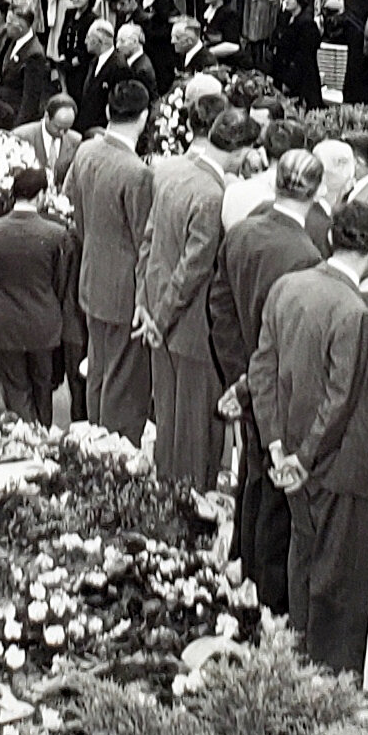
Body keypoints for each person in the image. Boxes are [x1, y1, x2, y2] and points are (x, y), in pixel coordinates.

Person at [255, 199, 368, 675]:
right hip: (338, 467)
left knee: (303, 564)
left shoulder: (287, 287)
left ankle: (297, 667)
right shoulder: (354, 310)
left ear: (332, 237)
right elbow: (341, 397)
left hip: (289, 453)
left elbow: (262, 368)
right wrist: (306, 458)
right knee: (343, 587)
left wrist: (276, 446)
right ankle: (331, 688)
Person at [209, 147, 330, 610]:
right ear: (316, 193)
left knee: (253, 478)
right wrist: (251, 382)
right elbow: (288, 337)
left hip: (248, 373)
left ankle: (247, 568)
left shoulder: (242, 233)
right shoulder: (304, 253)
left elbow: (219, 305)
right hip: (274, 385)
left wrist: (237, 374)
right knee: (275, 494)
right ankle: (268, 593)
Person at [141, 105, 251, 492]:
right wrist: (163, 317)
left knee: (170, 426)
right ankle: (186, 515)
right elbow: (193, 270)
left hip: (161, 321)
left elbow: (149, 244)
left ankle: (165, 500)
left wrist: (148, 308)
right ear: (240, 152)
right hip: (190, 331)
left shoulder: (173, 174)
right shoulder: (214, 195)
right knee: (195, 435)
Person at [65, 80, 154, 444]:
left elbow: (73, 208)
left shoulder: (86, 151)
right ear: (144, 117)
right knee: (124, 383)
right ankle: (115, 456)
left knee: (99, 372)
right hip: (126, 292)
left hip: (91, 279)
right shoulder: (138, 173)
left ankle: (95, 449)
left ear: (107, 113)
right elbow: (145, 241)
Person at [0, 167, 81, 423]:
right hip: (44, 320)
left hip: (5, 320)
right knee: (43, 386)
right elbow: (61, 280)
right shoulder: (56, 234)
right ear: (42, 194)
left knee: (15, 387)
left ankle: (24, 435)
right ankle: (42, 436)